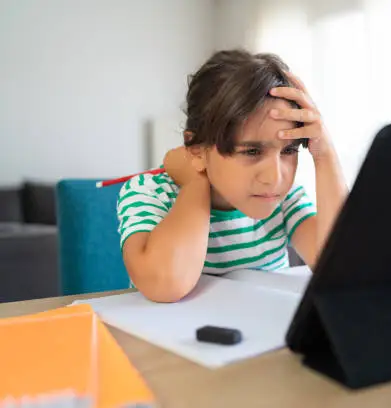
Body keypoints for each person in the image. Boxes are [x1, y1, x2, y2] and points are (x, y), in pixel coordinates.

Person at [116, 49, 347, 303]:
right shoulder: (149, 192)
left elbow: (343, 271)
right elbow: (166, 284)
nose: (275, 177)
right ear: (196, 149)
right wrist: (196, 180)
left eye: (289, 150)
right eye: (251, 151)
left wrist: (324, 154)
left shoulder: (286, 200)